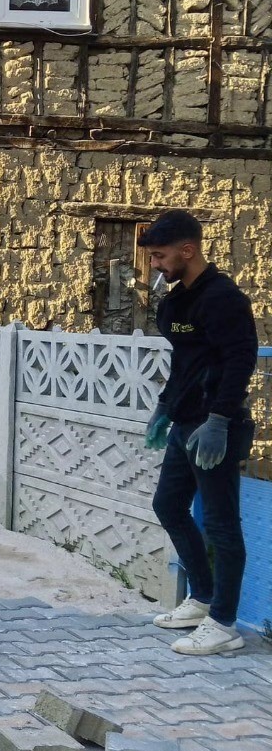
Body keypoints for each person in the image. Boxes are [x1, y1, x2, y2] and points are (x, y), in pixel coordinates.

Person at [139, 210, 258, 656]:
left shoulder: (224, 298)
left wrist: (220, 421)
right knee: (167, 503)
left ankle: (224, 623)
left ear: (188, 250)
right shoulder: (177, 298)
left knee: (223, 525)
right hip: (186, 421)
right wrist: (165, 407)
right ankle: (202, 598)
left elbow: (240, 359)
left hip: (216, 427)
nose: (154, 265)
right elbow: (184, 361)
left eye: (159, 256)